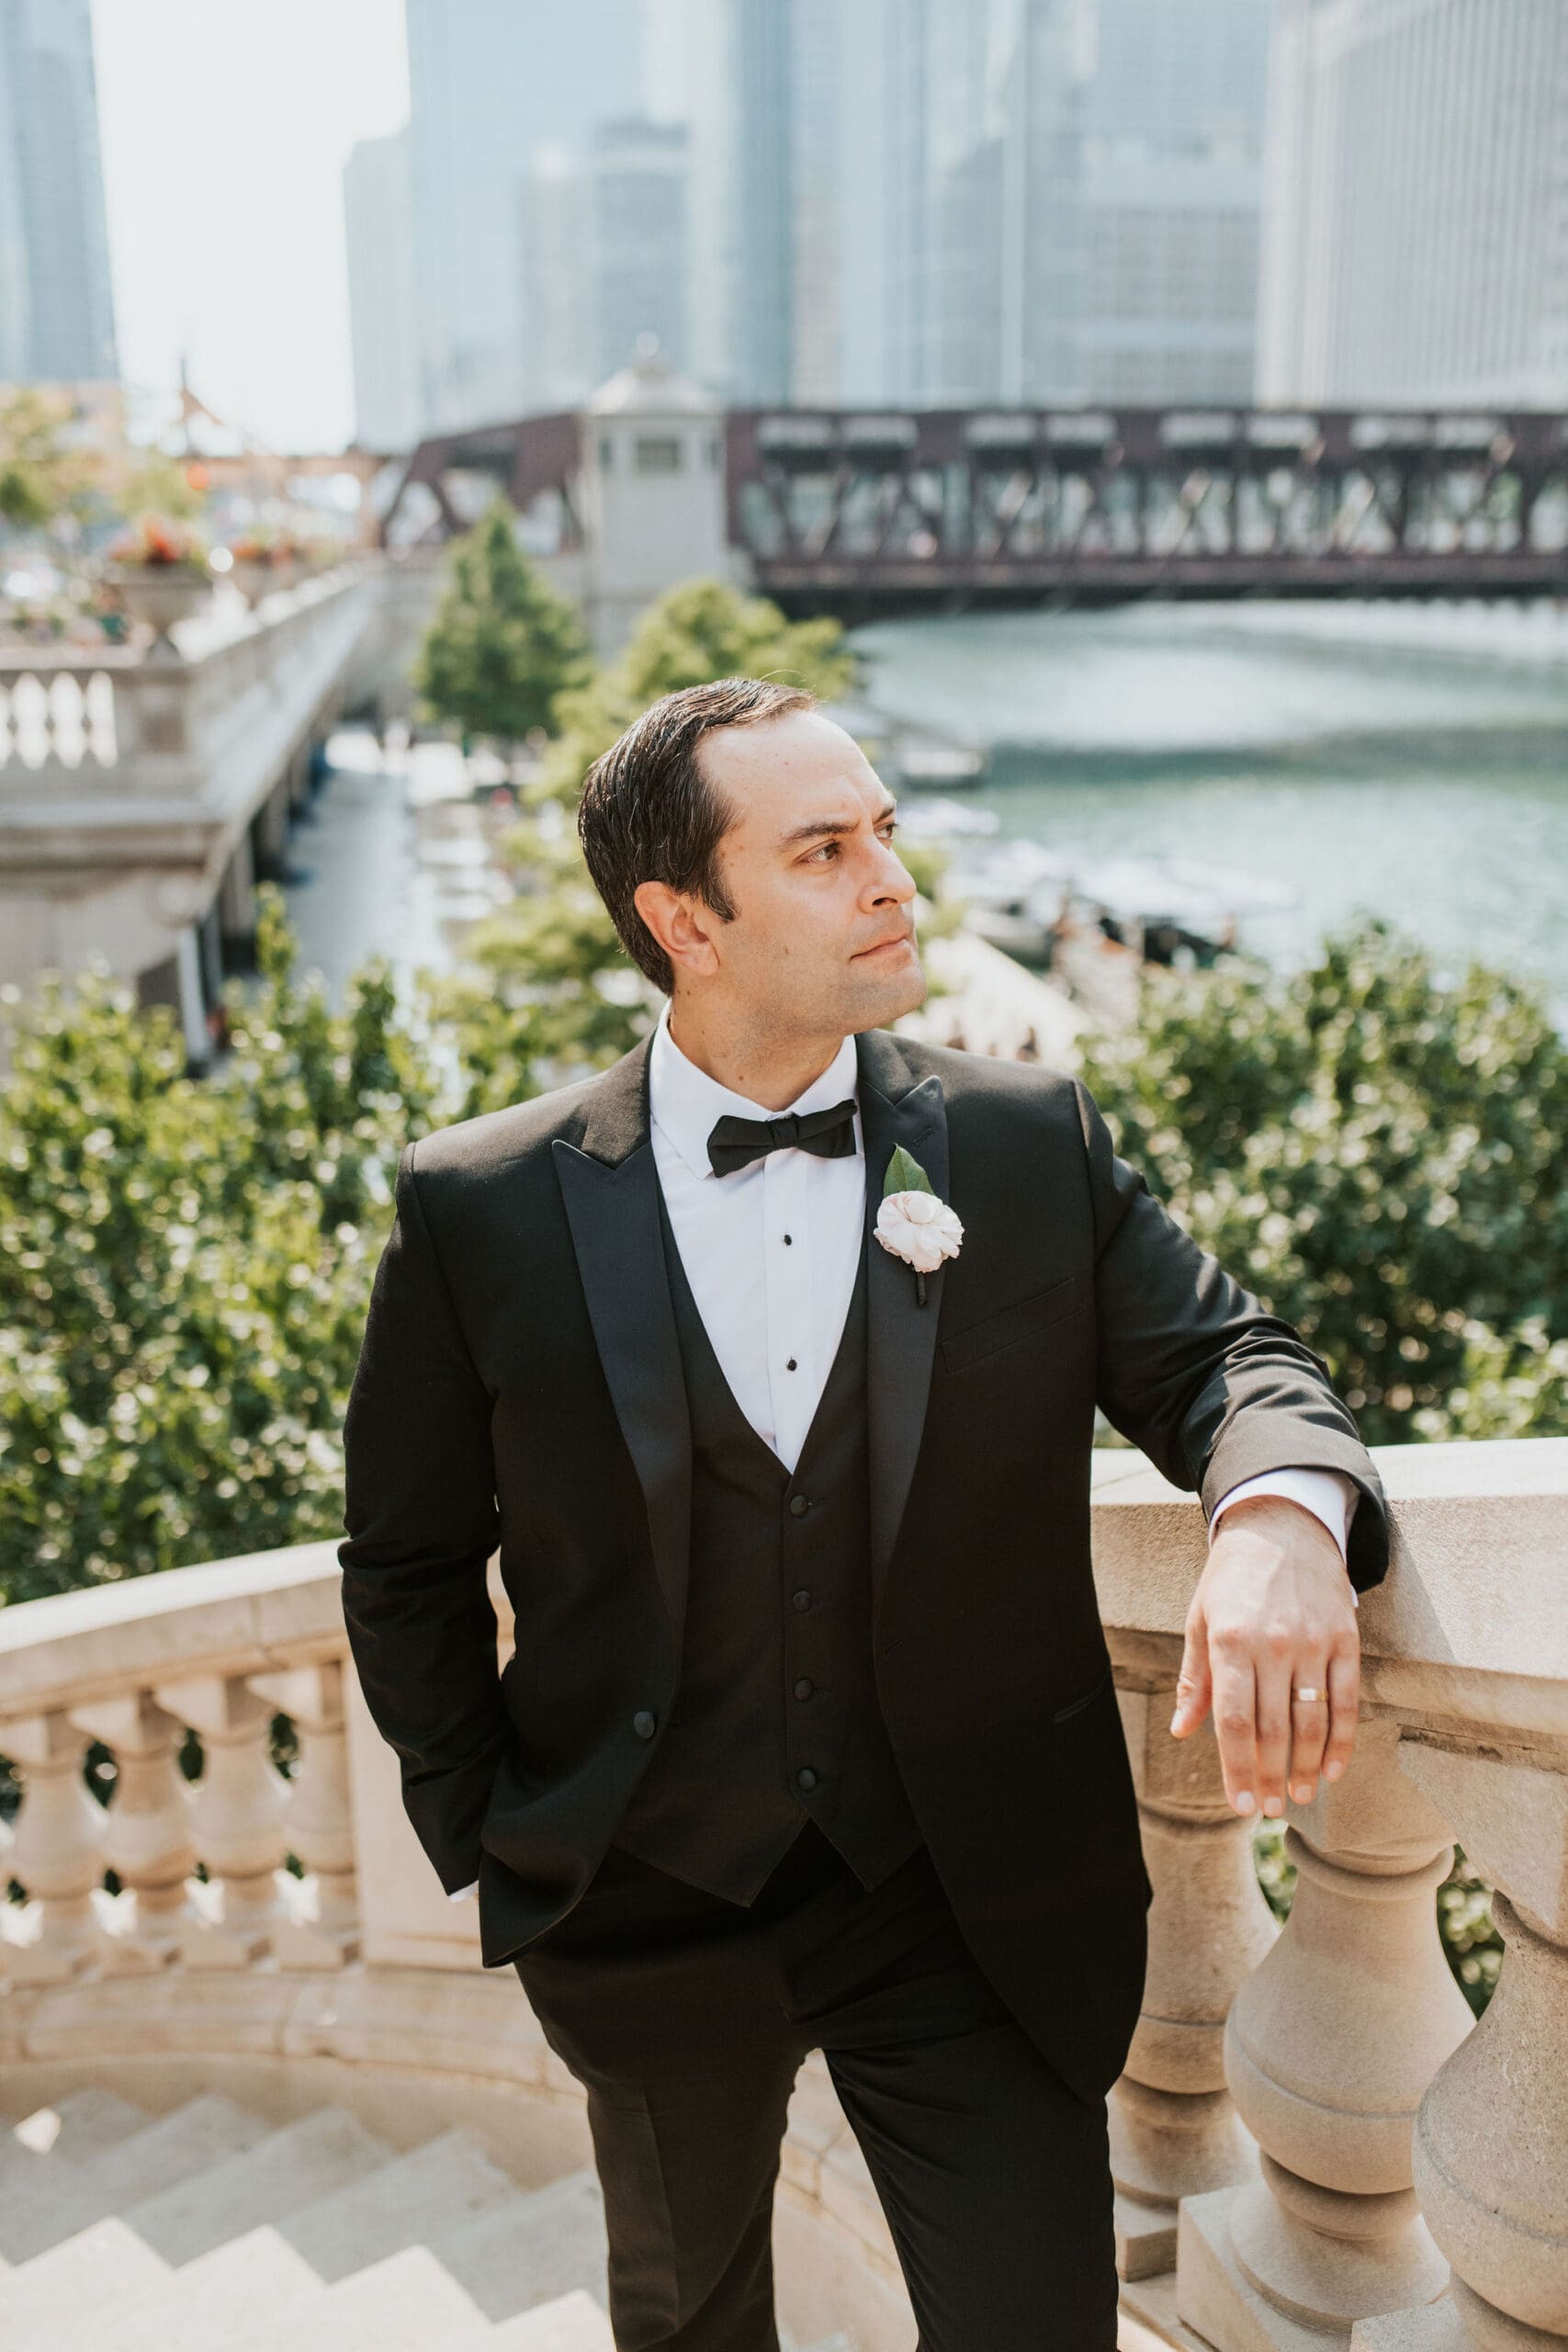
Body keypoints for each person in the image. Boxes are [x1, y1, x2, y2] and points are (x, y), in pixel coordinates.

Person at [338, 677, 1388, 2351]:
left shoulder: (1021, 1143)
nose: (893, 878)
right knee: (689, 2330)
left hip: (963, 1899)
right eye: (825, 850)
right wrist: (491, 1827)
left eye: (885, 831)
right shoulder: (484, 1207)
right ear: (682, 917)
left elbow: (1230, 1361)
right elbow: (401, 1558)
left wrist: (1275, 1522)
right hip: (644, 1899)